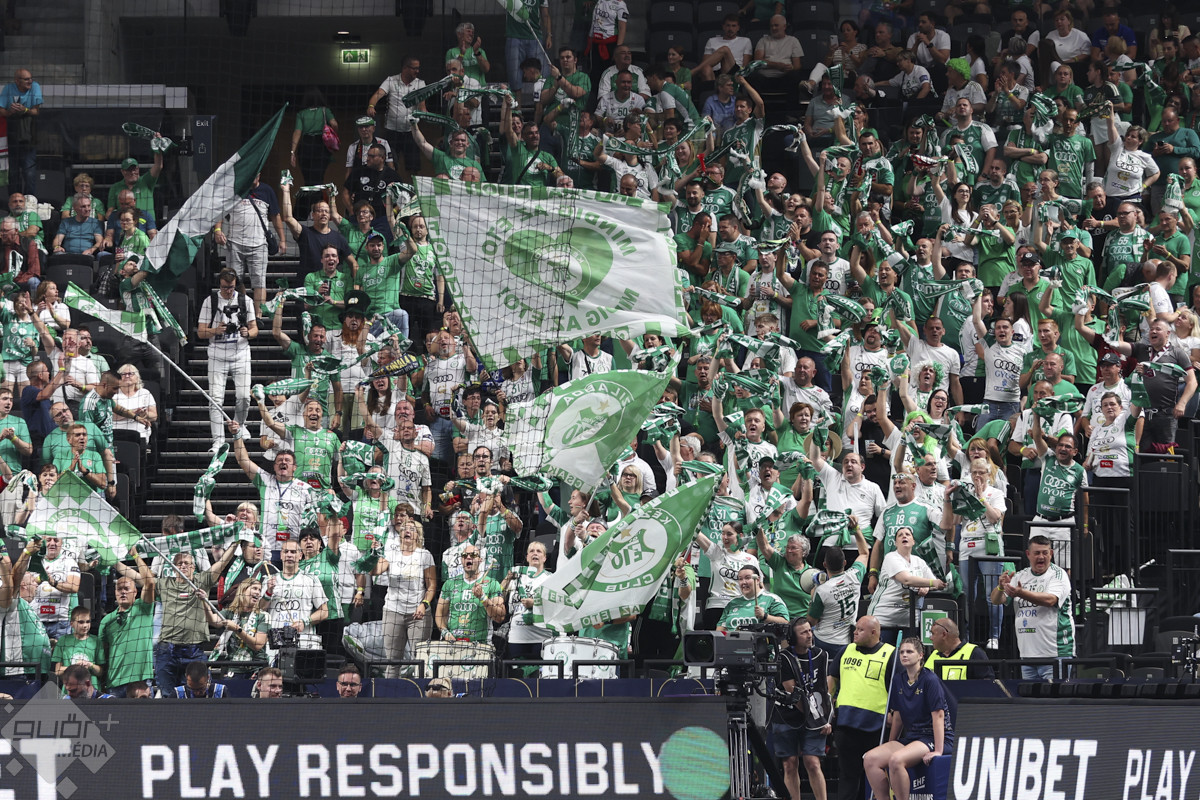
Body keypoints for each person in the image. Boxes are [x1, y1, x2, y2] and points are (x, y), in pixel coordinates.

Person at [863, 637, 955, 800]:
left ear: (920, 655)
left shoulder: (930, 679)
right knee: (870, 759)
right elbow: (898, 717)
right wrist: (890, 743)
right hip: (912, 737)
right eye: (902, 652)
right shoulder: (898, 679)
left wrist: (938, 750)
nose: (904, 655)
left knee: (896, 760)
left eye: (909, 652)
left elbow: (939, 716)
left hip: (931, 737)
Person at [359, 511, 436, 678]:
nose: (407, 531)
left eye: (412, 529)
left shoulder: (424, 555)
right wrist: (374, 554)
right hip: (393, 611)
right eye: (404, 529)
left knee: (419, 659)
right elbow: (374, 572)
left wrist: (424, 605)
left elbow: (431, 586)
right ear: (400, 534)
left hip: (418, 613)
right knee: (392, 660)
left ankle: (419, 692)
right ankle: (389, 693)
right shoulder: (391, 554)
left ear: (418, 535)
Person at [989, 535, 1075, 681]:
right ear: (1028, 554)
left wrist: (1021, 593)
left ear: (1051, 554)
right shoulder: (1020, 576)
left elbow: (1050, 600)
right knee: (1030, 696)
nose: (1041, 557)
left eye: (1045, 553)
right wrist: (1000, 587)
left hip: (1055, 654)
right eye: (1037, 553)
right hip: (1027, 655)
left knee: (1055, 695)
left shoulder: (1058, 575)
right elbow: (996, 600)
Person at [830, 615, 896, 800]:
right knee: (848, 776)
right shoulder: (846, 650)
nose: (855, 632)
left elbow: (897, 688)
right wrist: (828, 709)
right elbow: (831, 681)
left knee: (875, 777)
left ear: (874, 632)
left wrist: (894, 713)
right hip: (846, 723)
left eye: (860, 629)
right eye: (855, 628)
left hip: (876, 725)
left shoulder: (891, 654)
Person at [772, 618, 833, 800]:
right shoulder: (783, 658)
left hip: (814, 715)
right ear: (793, 637)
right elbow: (794, 694)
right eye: (803, 632)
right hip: (787, 715)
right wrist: (817, 720)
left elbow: (823, 690)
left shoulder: (821, 655)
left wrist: (825, 719)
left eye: (810, 630)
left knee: (813, 762)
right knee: (790, 764)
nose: (809, 635)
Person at [199, 270, 257, 452]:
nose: (228, 291)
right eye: (225, 287)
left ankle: (240, 425)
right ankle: (218, 440)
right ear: (219, 284)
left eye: (231, 287)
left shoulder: (245, 301)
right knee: (216, 399)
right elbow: (200, 332)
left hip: (241, 354)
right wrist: (215, 331)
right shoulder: (210, 301)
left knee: (244, 396)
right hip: (217, 356)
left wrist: (248, 333)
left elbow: (255, 329)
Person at [213, 173, 284, 314]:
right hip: (234, 243)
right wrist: (217, 230)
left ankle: (258, 317)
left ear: (259, 175)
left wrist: (282, 239)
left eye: (257, 173)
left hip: (259, 245)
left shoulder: (267, 191)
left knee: (259, 282)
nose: (254, 176)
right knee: (234, 280)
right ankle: (242, 311)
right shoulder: (234, 189)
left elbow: (276, 216)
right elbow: (219, 211)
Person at [96, 548, 155, 696]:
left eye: (127, 589)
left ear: (135, 592)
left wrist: (135, 555)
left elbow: (150, 583)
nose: (123, 591)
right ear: (115, 593)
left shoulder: (143, 608)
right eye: (119, 589)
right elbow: (103, 654)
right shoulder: (107, 620)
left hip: (141, 682)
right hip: (115, 682)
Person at [263, 540, 328, 648]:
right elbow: (259, 610)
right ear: (281, 555)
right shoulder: (269, 580)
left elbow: (324, 612)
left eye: (293, 552)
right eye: (286, 551)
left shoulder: (311, 580)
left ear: (300, 555)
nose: (289, 555)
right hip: (275, 641)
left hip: (303, 641)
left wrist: (304, 622)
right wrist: (268, 592)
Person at [434, 544, 505, 643]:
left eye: (473, 555)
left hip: (480, 645)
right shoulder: (450, 583)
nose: (468, 557)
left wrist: (483, 597)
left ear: (480, 560)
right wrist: (445, 632)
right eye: (464, 555)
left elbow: (500, 617)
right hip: (453, 644)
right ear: (461, 560)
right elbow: (440, 614)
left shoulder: (492, 583)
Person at [208, 578, 269, 676]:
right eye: (254, 588)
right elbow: (213, 621)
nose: (258, 592)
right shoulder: (230, 612)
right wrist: (204, 602)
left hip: (256, 668)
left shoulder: (263, 616)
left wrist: (237, 629)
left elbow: (257, 645)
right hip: (233, 667)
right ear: (243, 590)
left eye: (259, 590)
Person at [0, 69, 42, 194]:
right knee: (13, 173)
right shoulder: (8, 89)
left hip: (28, 136)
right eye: (26, 79)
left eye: (31, 78)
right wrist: (10, 112)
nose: (30, 81)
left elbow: (36, 111)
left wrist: (25, 110)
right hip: (11, 137)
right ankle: (14, 199)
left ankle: (29, 200)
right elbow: (1, 110)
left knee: (29, 173)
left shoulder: (35, 87)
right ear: (17, 81)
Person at [716, 565, 788, 631]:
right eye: (740, 579)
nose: (744, 582)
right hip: (733, 641)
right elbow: (720, 628)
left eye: (747, 578)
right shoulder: (732, 603)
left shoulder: (772, 599)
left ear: (758, 580)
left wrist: (765, 616)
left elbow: (785, 622)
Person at [925, 617, 994, 679]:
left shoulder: (975, 653)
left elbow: (987, 684)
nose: (931, 638)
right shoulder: (934, 654)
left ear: (944, 635)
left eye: (933, 634)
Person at [52, 606, 99, 678]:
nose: (85, 625)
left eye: (88, 622)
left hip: (91, 684)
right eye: (81, 622)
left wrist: (90, 665)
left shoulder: (96, 641)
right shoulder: (63, 640)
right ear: (71, 624)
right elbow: (58, 671)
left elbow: (100, 672)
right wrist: (75, 667)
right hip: (70, 684)